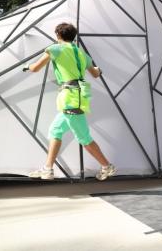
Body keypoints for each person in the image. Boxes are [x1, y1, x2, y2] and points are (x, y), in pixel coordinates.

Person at [23, 23, 116, 181]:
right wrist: (99, 69)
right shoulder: (81, 53)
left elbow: (36, 68)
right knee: (55, 130)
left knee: (84, 138)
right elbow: (95, 73)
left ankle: (107, 166)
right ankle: (48, 168)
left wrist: (27, 66)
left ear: (58, 35)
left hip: (69, 97)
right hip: (79, 95)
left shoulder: (55, 49)